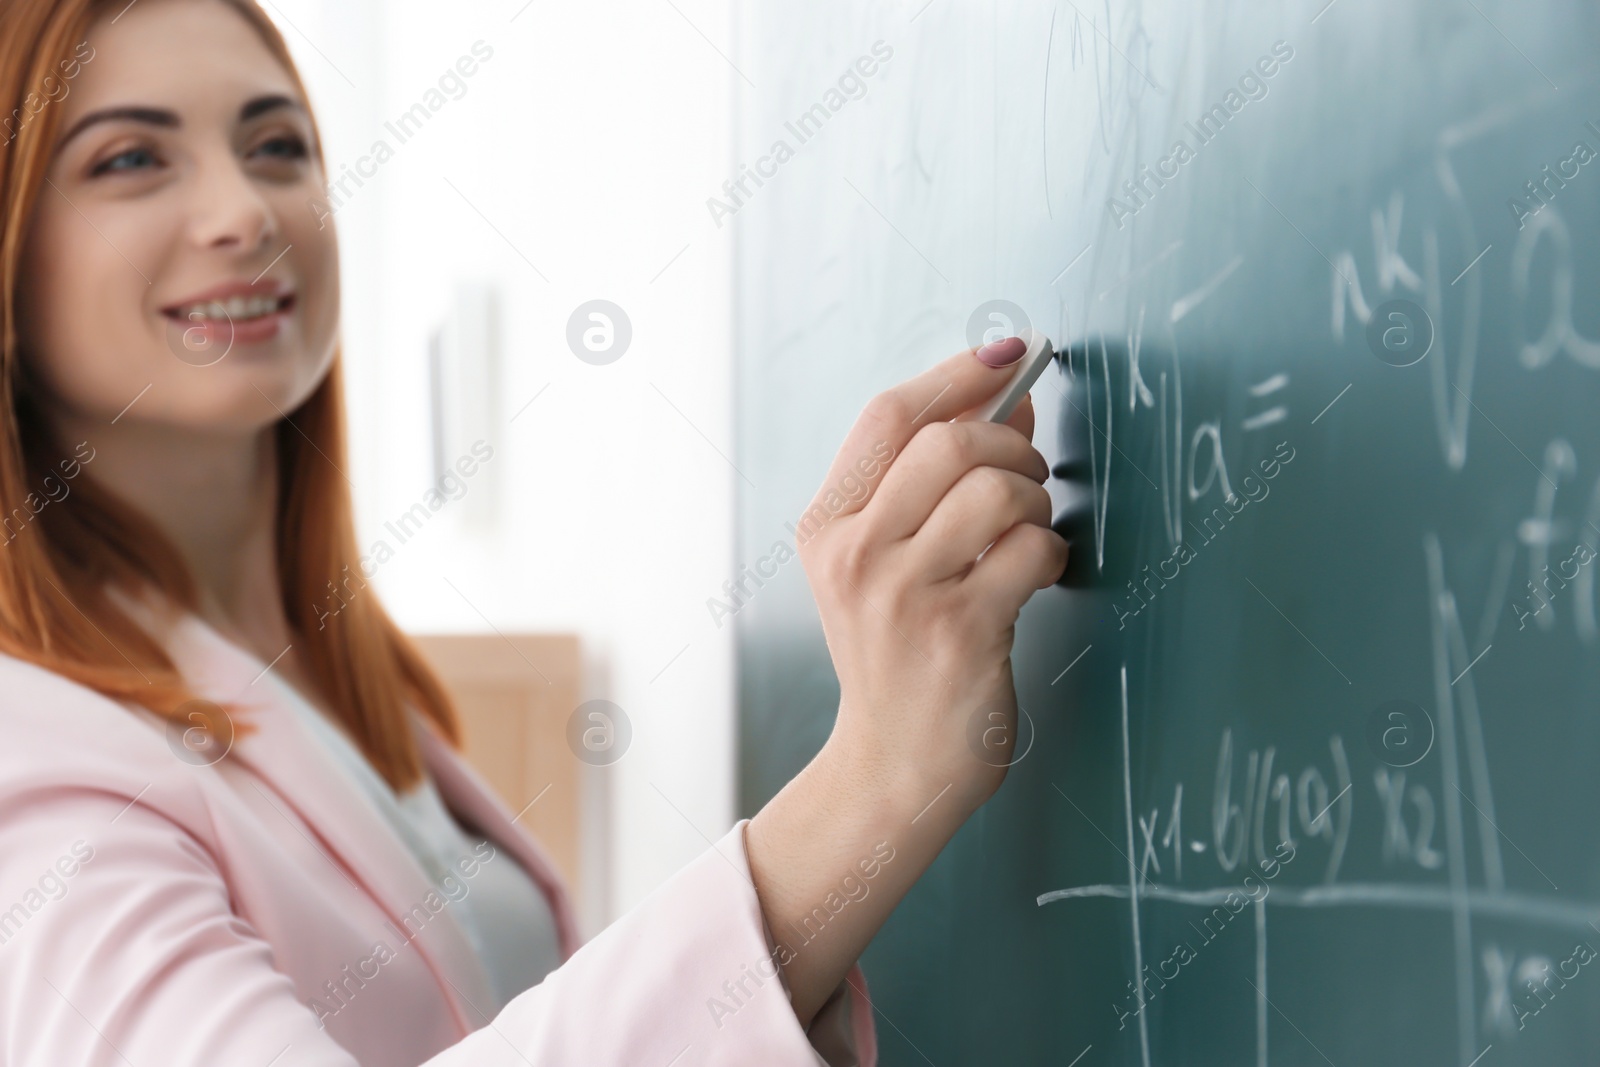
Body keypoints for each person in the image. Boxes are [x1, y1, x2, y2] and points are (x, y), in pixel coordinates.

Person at [0, 0, 1070, 1063]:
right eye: (130, 157)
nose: (245, 210)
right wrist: (874, 779)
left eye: (277, 145)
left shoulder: (347, 696)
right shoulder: (31, 764)